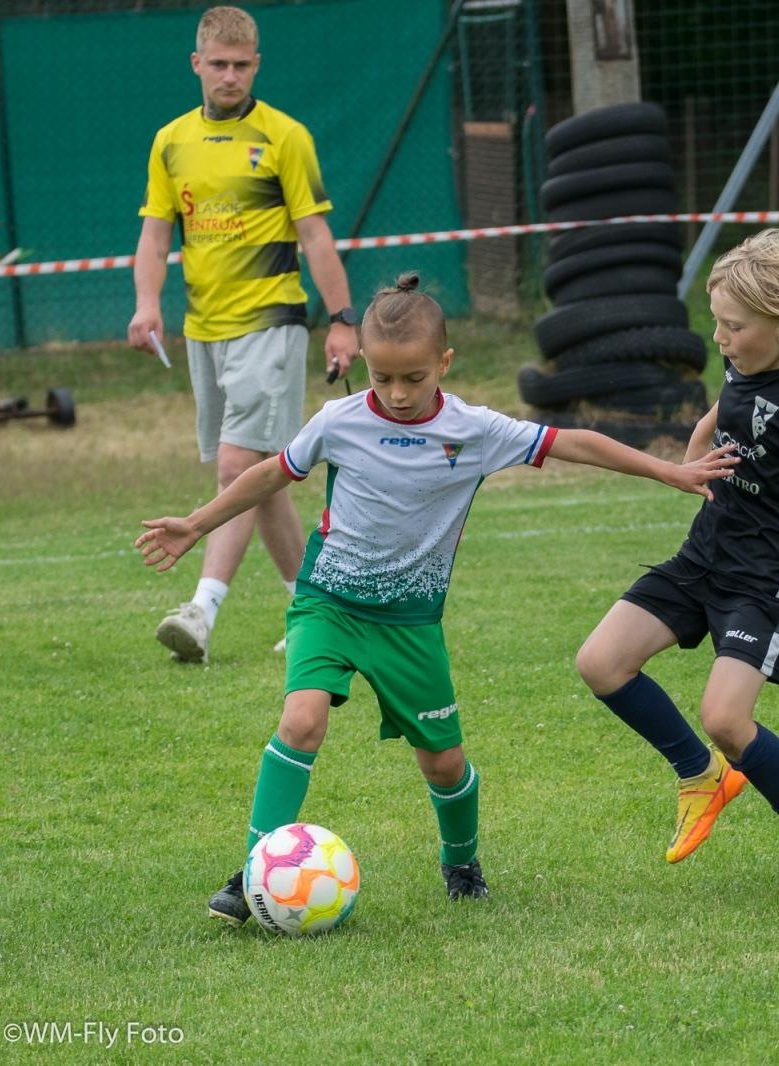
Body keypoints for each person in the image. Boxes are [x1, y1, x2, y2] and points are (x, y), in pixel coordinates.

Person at [134, 273, 739, 924]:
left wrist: (669, 469)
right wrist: (197, 523)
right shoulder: (339, 420)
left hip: (411, 624)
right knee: (302, 720)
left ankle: (461, 863)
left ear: (443, 364)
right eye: (383, 378)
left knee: (445, 764)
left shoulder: (473, 429)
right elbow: (270, 472)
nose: (396, 394)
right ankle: (255, 872)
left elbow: (574, 443)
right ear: (364, 361)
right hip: (329, 604)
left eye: (413, 378)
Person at [575, 229, 779, 900]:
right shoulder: (748, 358)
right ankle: (702, 775)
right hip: (704, 553)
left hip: (761, 584)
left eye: (733, 326)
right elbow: (729, 403)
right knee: (601, 662)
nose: (720, 340)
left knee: (727, 718)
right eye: (717, 325)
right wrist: (693, 453)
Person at [127, 5, 361, 665]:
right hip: (205, 330)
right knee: (258, 480)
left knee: (236, 467)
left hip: (273, 320)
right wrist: (147, 304)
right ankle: (311, 608)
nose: (229, 75)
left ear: (255, 65)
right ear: (197, 65)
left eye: (241, 64)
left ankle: (200, 611)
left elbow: (315, 235)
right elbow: (154, 232)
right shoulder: (171, 140)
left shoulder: (285, 136)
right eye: (218, 64)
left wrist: (342, 321)